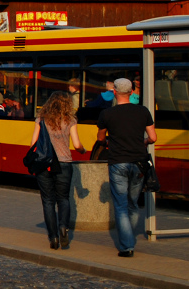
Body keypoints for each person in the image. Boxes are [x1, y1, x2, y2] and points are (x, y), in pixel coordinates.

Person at [96, 77, 157, 258]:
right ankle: (128, 236)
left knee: (121, 206)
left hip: (118, 162)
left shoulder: (107, 114)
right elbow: (153, 138)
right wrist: (143, 141)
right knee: (132, 204)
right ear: (131, 92)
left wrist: (109, 140)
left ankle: (126, 245)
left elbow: (100, 139)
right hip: (139, 163)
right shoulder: (143, 111)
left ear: (114, 91)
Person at [30, 92, 86, 250]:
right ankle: (63, 227)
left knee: (48, 201)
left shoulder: (41, 119)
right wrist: (82, 150)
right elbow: (76, 144)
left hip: (44, 164)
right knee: (64, 199)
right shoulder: (70, 120)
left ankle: (53, 237)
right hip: (64, 163)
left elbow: (33, 143)